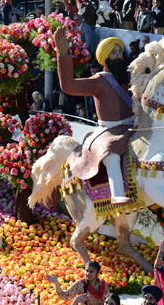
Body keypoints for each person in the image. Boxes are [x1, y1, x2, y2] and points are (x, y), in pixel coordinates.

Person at [54, 28, 134, 205]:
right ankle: (117, 194)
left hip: (135, 126)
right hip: (110, 131)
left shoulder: (132, 76)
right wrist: (64, 54)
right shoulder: (100, 80)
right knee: (111, 152)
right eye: (113, 53)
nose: (118, 55)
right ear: (105, 59)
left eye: (120, 51)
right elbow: (68, 86)